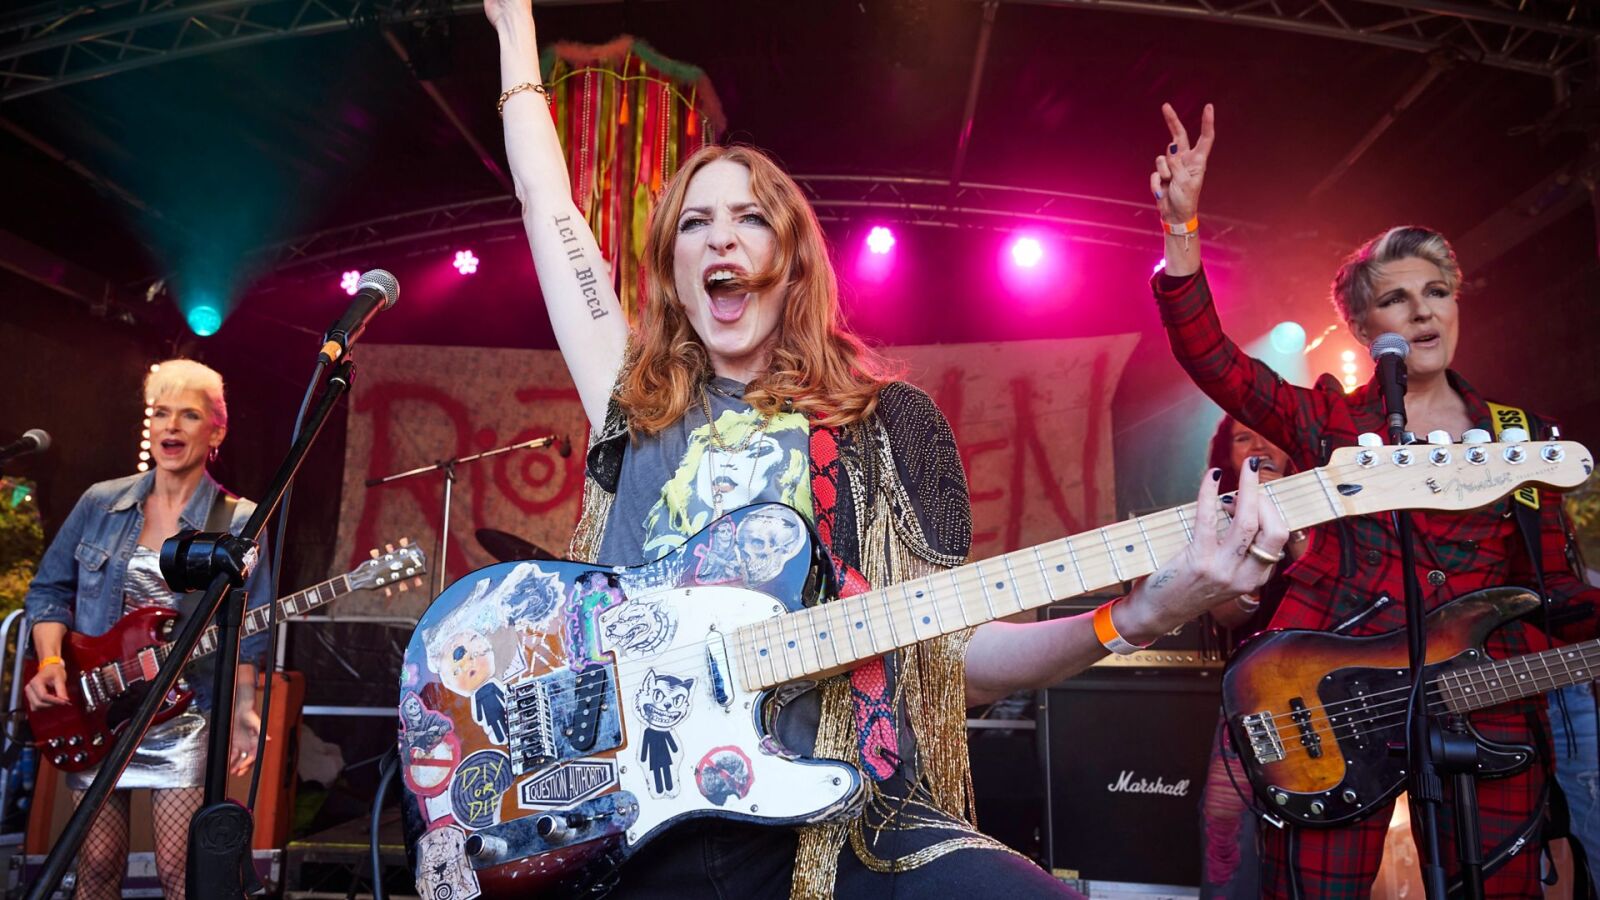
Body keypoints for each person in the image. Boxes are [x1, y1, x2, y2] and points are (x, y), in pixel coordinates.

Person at [485, 3, 1288, 896]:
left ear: (791, 261)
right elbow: (547, 208)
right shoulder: (634, 402)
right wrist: (514, 31)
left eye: (751, 219)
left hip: (843, 825)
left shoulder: (887, 425)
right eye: (694, 223)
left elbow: (950, 658)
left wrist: (1136, 616)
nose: (721, 237)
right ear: (674, 269)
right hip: (645, 825)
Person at [1147, 102, 1600, 897]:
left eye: (1439, 291)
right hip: (1332, 703)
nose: (1424, 310)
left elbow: (1554, 592)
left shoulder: (1518, 437)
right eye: (1397, 299)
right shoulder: (1328, 421)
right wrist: (1182, 228)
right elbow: (1214, 359)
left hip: (1485, 704)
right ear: (1360, 323)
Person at [23, 359, 273, 900]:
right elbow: (48, 591)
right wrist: (51, 662)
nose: (171, 426)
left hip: (184, 713)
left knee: (180, 874)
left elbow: (250, 630)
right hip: (99, 703)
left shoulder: (237, 520)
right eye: (161, 413)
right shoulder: (101, 503)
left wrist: (244, 711)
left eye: (189, 415)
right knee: (95, 867)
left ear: (216, 432)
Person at [1196, 417, 1306, 898]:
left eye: (1269, 434)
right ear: (1229, 455)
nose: (1260, 445)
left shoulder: (1327, 497)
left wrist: (1292, 517)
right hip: (1256, 691)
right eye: (1244, 438)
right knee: (1225, 816)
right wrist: (1256, 549)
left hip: (1330, 682)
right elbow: (1226, 614)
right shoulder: (1222, 517)